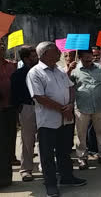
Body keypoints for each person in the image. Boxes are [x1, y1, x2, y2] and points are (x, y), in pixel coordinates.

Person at [27, 42, 86, 197]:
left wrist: (70, 105)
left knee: (64, 151)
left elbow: (71, 87)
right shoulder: (35, 73)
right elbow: (39, 97)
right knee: (47, 155)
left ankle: (67, 177)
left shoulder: (59, 70)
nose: (60, 53)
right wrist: (62, 109)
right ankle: (51, 184)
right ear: (45, 54)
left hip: (65, 120)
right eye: (56, 51)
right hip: (48, 121)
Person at [71, 49, 101, 170]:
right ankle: (82, 158)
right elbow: (68, 88)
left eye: (91, 57)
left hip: (98, 106)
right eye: (86, 58)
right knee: (81, 135)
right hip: (82, 107)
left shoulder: (99, 68)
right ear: (80, 58)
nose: (89, 60)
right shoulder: (74, 71)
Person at [10, 45, 39, 182]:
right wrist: (20, 108)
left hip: (43, 108)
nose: (37, 58)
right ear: (26, 59)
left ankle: (46, 167)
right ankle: (26, 169)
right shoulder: (18, 75)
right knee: (27, 141)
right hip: (27, 108)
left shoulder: (41, 72)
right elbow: (14, 94)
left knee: (45, 138)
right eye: (34, 56)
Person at [0, 38, 18, 187]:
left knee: (8, 142)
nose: (1, 47)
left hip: (10, 109)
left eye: (2, 45)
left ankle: (6, 178)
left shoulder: (12, 65)